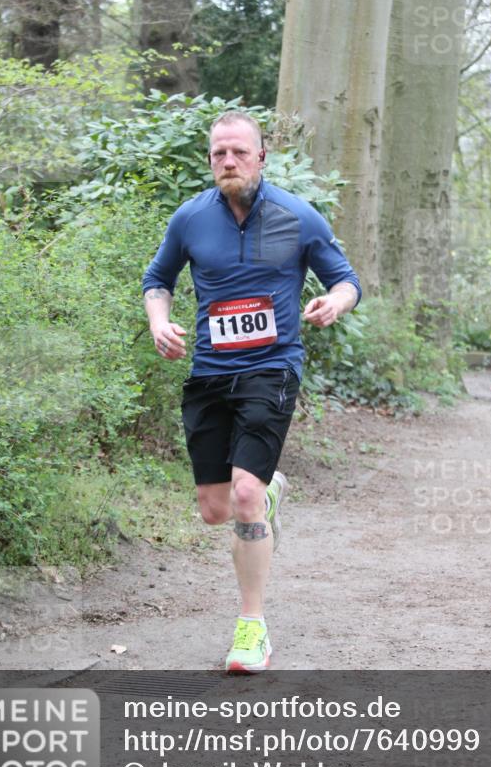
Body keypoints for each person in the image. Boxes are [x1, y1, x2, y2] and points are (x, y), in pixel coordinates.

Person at [142, 111, 361, 672]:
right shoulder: (191, 218)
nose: (229, 162)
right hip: (211, 372)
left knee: (242, 497)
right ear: (210, 159)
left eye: (239, 152)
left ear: (261, 157)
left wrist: (335, 302)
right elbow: (157, 281)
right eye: (219, 154)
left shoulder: (296, 216)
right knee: (215, 510)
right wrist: (158, 321)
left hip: (272, 366)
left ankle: (252, 628)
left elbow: (346, 279)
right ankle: (268, 492)